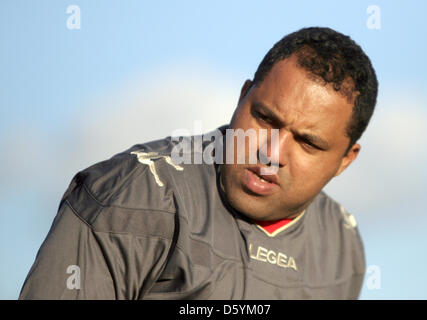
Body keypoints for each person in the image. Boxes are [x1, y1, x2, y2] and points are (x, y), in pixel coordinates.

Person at [19, 26, 378, 300]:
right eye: (266, 118)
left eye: (307, 142)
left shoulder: (341, 247)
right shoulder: (135, 194)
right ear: (243, 97)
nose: (272, 153)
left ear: (345, 160)